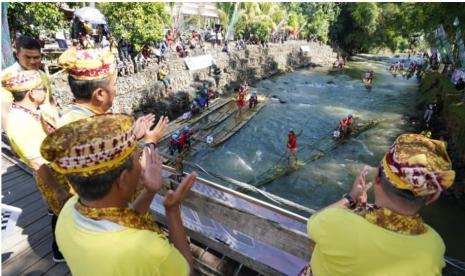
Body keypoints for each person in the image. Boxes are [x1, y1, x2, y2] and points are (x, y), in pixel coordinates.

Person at [40, 114, 195, 275]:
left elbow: (122, 222)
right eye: (138, 158)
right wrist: (172, 210)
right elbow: (186, 271)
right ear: (123, 179)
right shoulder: (147, 251)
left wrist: (149, 192)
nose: (141, 164)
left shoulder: (67, 212)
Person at [302, 134, 455, 276]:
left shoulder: (333, 222)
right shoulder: (434, 247)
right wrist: (362, 206)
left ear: (376, 178)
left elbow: (315, 221)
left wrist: (351, 197)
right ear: (432, 198)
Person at [2, 70, 72, 263]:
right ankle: (59, 250)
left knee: (64, 211)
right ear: (31, 93)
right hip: (51, 175)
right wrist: (57, 189)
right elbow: (37, 162)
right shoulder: (19, 121)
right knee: (63, 213)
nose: (45, 91)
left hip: (58, 170)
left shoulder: (31, 112)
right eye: (42, 88)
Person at [1, 36, 59, 132]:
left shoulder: (42, 75)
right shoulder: (6, 78)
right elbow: (4, 112)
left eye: (36, 57)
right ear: (17, 54)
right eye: (27, 57)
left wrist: (58, 123)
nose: (32, 61)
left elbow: (50, 101)